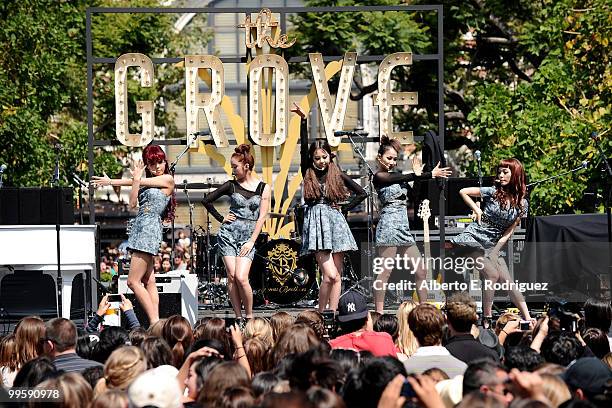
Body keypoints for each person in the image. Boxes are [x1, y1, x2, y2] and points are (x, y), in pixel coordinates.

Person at [294, 105, 367, 313]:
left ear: (329, 156)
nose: (321, 161)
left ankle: (332, 314)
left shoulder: (336, 172)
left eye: (324, 157)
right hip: (316, 223)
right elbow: (303, 148)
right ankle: (320, 312)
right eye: (317, 158)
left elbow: (361, 192)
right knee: (330, 275)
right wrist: (303, 121)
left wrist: (344, 209)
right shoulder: (307, 171)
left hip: (336, 222)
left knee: (337, 276)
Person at [92, 145, 175, 325]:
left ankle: (154, 322)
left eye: (160, 162)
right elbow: (131, 203)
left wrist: (127, 180)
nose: (157, 167)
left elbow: (140, 182)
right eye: (152, 164)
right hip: (141, 228)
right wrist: (112, 183)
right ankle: (156, 322)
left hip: (148, 229)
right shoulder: (144, 182)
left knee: (133, 282)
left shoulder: (168, 179)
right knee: (148, 279)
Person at [373, 136, 451, 312]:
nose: (392, 162)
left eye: (394, 158)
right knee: (385, 272)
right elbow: (399, 179)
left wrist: (418, 177)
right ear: (380, 157)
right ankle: (379, 312)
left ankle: (424, 310)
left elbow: (414, 194)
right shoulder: (379, 176)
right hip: (389, 226)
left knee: (421, 270)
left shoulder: (398, 176)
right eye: (389, 158)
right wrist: (427, 174)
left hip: (403, 227)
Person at [450, 158, 532, 321]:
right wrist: (477, 210)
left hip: (493, 244)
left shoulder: (522, 204)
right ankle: (487, 318)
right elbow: (463, 191)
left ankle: (528, 319)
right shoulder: (493, 192)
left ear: (515, 174)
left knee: (509, 283)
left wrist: (495, 252)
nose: (500, 175)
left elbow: (509, 230)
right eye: (499, 172)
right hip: (472, 239)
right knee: (492, 274)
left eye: (505, 172)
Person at [201, 144, 271, 321]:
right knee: (232, 276)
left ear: (246, 166)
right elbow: (207, 200)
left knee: (241, 277)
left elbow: (262, 217)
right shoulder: (231, 185)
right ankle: (238, 317)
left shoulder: (264, 188)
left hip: (248, 237)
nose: (233, 171)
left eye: (235, 167)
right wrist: (221, 218)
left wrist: (251, 242)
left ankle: (249, 316)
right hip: (229, 234)